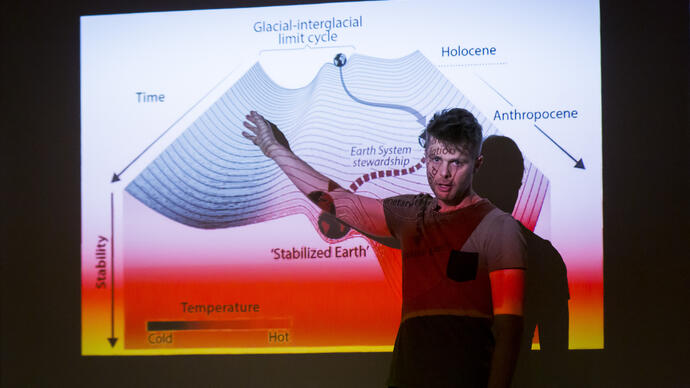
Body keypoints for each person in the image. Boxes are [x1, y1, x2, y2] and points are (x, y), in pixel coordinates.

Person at [242, 108, 526, 388]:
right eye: (436, 159)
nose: (443, 174)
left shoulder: (499, 228)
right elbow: (340, 203)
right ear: (424, 157)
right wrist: (274, 149)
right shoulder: (413, 214)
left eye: (457, 163)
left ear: (477, 164)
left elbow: (509, 331)